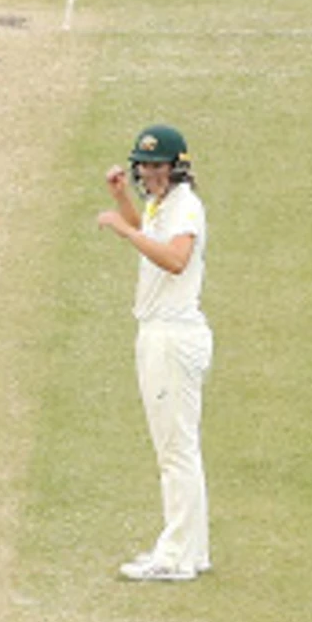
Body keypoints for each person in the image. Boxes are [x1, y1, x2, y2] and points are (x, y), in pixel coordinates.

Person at [98, 124, 209, 580]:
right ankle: (191, 551)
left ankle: (176, 558)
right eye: (143, 166)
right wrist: (123, 200)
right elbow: (150, 232)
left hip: (172, 336)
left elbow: (175, 258)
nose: (149, 173)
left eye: (157, 166)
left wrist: (123, 231)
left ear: (177, 168)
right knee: (179, 449)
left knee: (176, 451)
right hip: (161, 333)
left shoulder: (186, 207)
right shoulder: (163, 204)